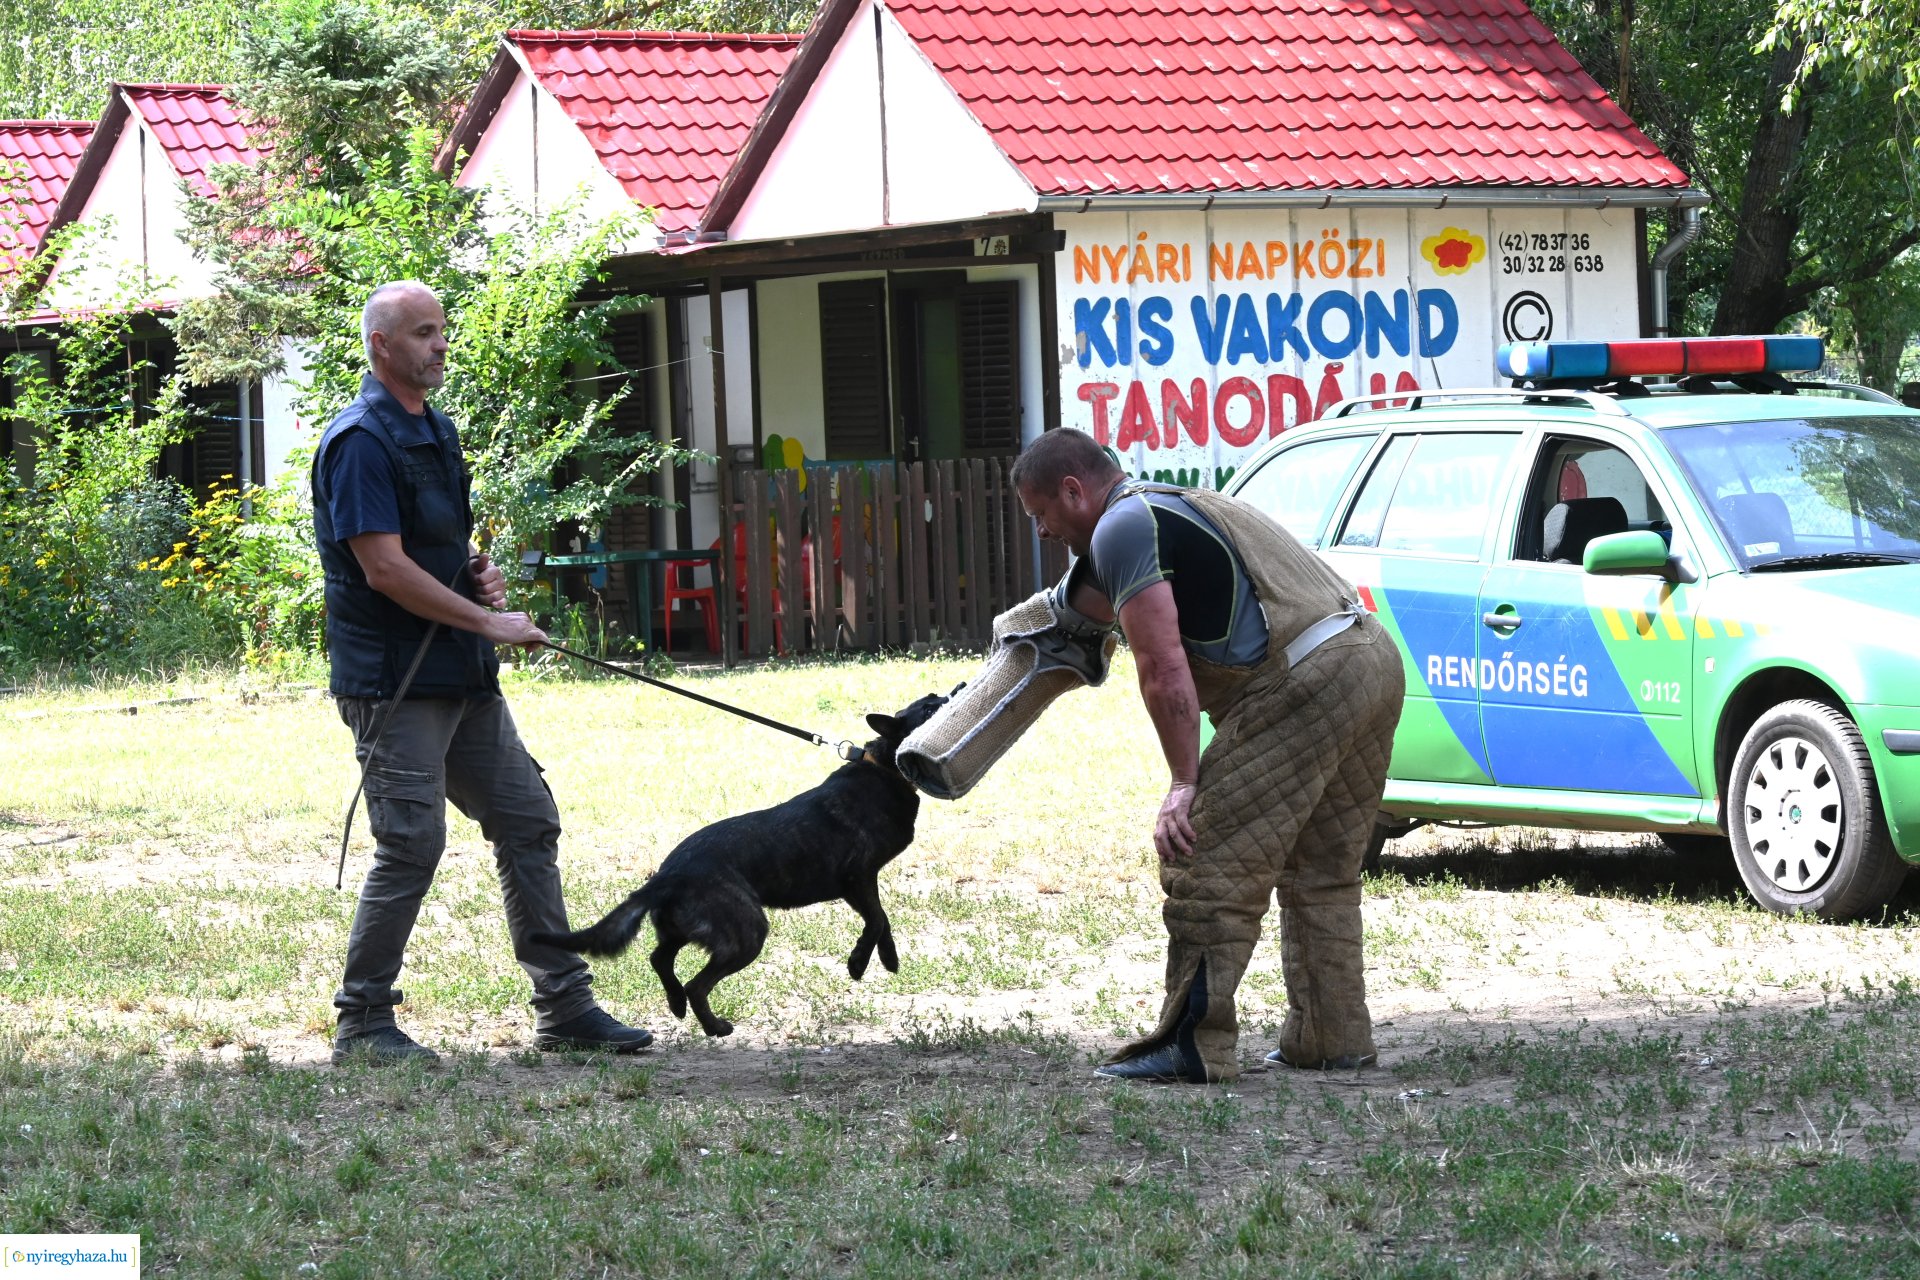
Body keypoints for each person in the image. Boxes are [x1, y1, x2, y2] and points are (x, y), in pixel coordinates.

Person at [312, 279, 653, 1065]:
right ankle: (363, 1022)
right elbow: (385, 570)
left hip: (461, 674)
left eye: (442, 330)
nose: (440, 345)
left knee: (526, 819)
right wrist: (490, 620)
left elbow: (436, 543)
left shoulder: (435, 430)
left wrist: (476, 574)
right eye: (424, 333)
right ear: (382, 347)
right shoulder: (359, 441)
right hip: (394, 682)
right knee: (411, 843)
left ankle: (564, 1008)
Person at [1011, 430, 1405, 1083]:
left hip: (1305, 680)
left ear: (1074, 490)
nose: (1044, 531)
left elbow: (1163, 667)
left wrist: (1183, 784)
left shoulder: (1119, 531)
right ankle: (1332, 1038)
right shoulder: (1166, 504)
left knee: (1206, 857)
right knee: (1320, 868)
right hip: (1371, 659)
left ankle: (1193, 1044)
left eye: (1041, 514)